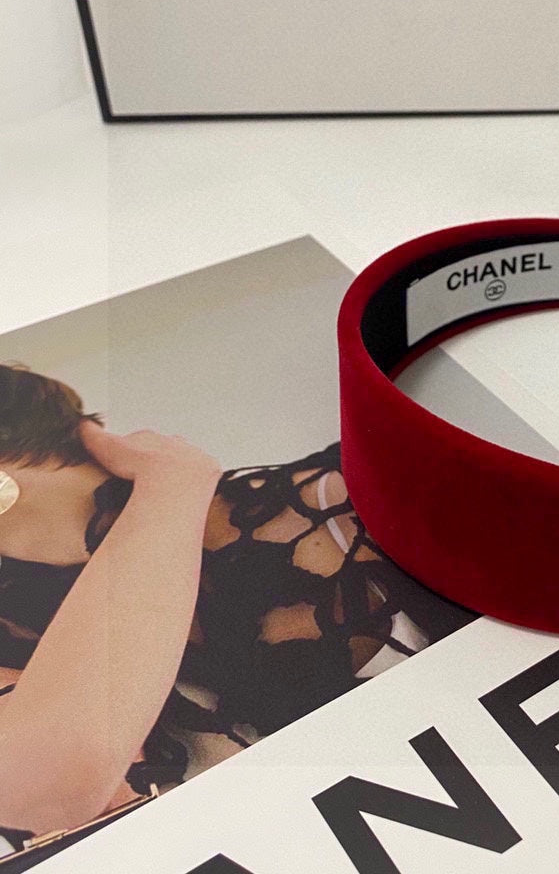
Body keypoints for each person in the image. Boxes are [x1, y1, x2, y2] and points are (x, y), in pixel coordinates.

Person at [0, 365, 471, 859]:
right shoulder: (13, 637)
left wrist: (173, 488)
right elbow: (45, 783)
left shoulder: (341, 495)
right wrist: (172, 485)